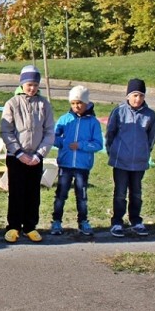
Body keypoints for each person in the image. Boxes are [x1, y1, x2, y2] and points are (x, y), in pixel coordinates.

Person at [0, 65, 54, 243]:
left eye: (35, 85)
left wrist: (39, 154)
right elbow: (6, 131)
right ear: (22, 84)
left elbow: (49, 131)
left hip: (35, 157)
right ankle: (14, 226)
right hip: (16, 157)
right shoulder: (12, 103)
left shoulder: (44, 104)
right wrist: (18, 152)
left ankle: (30, 226)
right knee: (16, 192)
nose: (32, 88)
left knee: (33, 193)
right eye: (29, 84)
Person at [105, 78, 155, 237]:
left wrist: (145, 153)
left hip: (139, 162)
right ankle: (117, 222)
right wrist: (113, 152)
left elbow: (151, 138)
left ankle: (136, 220)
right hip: (121, 161)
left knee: (136, 193)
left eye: (141, 96)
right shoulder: (118, 112)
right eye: (134, 95)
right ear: (128, 96)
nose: (138, 99)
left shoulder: (150, 115)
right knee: (120, 193)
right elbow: (110, 134)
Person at [50, 86, 103, 236]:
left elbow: (98, 144)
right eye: (73, 103)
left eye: (79, 103)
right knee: (61, 194)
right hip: (65, 164)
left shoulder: (93, 122)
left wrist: (81, 145)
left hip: (82, 166)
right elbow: (53, 137)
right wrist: (63, 142)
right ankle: (56, 221)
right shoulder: (64, 119)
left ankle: (83, 221)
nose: (76, 106)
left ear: (86, 103)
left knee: (82, 195)